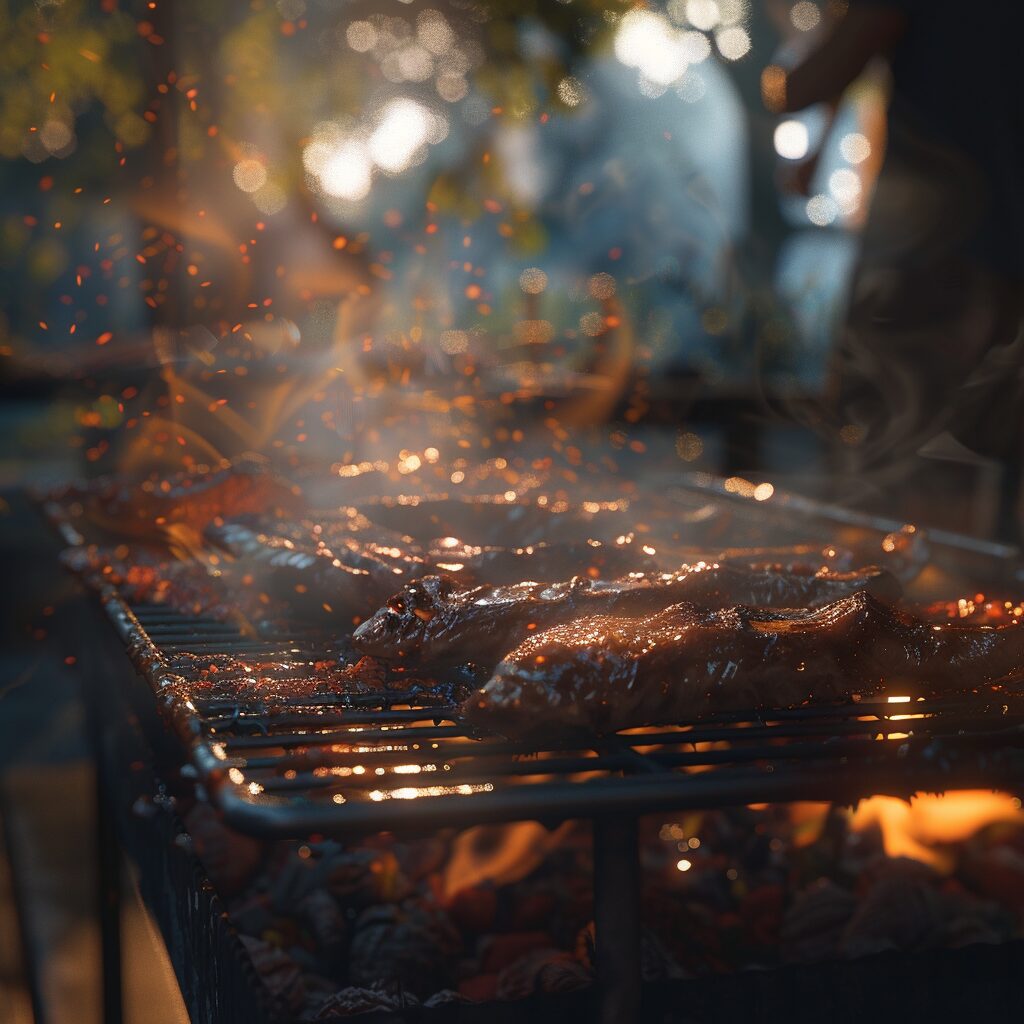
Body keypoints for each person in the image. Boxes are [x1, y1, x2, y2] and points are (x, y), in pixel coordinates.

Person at [762, 1, 1024, 539]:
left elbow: (793, 88)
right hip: (1006, 265)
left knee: (879, 489)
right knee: (987, 499)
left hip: (927, 265)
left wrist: (808, 24)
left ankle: (876, 612)